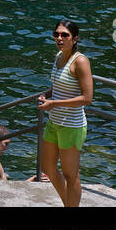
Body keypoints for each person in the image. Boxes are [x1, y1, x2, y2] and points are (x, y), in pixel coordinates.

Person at [38, 19, 93, 207]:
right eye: (56, 34)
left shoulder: (81, 61)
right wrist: (47, 95)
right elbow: (59, 86)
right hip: (54, 122)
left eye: (64, 35)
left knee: (71, 174)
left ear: (75, 38)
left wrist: (54, 104)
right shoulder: (58, 56)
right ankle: (68, 204)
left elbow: (87, 98)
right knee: (47, 167)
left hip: (72, 126)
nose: (59, 38)